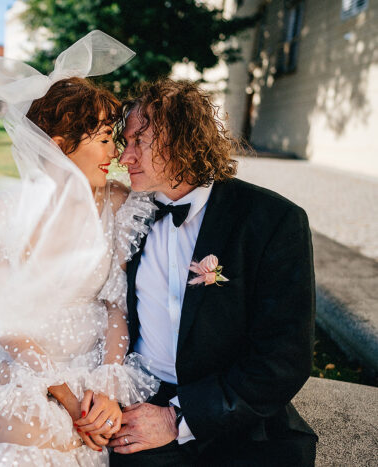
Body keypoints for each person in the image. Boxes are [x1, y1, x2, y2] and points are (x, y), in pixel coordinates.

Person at [0, 32, 159, 466]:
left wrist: (105, 389)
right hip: (19, 366)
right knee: (24, 432)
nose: (115, 152)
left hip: (91, 366)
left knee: (80, 440)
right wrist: (65, 394)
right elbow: (1, 315)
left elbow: (116, 309)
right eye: (102, 139)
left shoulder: (118, 205)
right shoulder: (3, 213)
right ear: (60, 147)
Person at [108, 79, 318, 466]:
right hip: (139, 408)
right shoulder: (127, 215)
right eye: (125, 143)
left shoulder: (272, 220)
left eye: (140, 141)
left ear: (182, 140)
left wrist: (177, 417)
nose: (126, 158)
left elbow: (284, 357)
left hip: (239, 419)